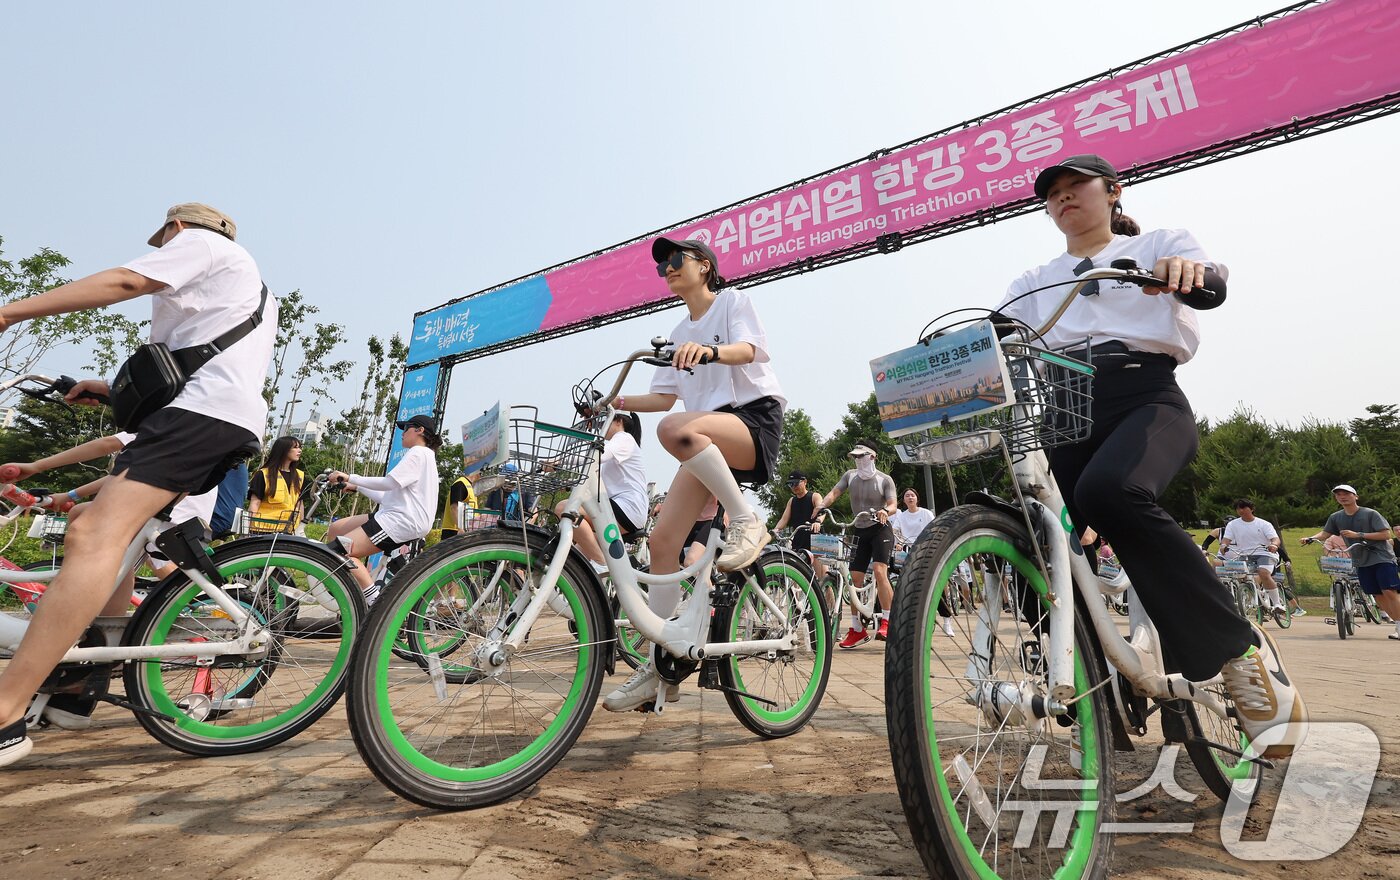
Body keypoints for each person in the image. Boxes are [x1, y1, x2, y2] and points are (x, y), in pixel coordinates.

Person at [994, 155, 1304, 756]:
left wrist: (1185, 274)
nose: (1063, 198)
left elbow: (1210, 287)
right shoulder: (1035, 280)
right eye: (1052, 193)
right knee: (1034, 537)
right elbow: (996, 334)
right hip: (1064, 412)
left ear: (1113, 191)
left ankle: (1237, 651)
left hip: (1145, 398)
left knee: (1110, 491)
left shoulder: (1157, 245)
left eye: (1076, 186)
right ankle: (1096, 681)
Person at [0, 202, 276, 767]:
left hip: (202, 416)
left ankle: (5, 712)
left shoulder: (206, 245)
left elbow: (124, 282)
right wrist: (106, 388)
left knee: (92, 536)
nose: (161, 251)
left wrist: (10, 312)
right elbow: (196, 362)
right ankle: (81, 682)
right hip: (208, 414)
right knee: (94, 527)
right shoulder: (238, 286)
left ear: (178, 228)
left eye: (163, 240)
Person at [598, 236, 785, 712]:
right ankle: (662, 662)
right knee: (662, 544)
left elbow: (751, 350)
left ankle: (747, 520)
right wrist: (613, 401)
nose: (668, 268)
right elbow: (663, 398)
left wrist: (709, 351)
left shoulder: (731, 302)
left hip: (751, 421)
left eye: (676, 259)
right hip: (704, 441)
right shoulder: (678, 331)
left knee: (675, 429)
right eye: (661, 265)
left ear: (704, 265)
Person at [327, 414, 442, 601]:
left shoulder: (418, 453)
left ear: (420, 430)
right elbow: (386, 497)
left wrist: (351, 477)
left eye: (406, 428)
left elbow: (389, 483)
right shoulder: (425, 455)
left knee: (338, 551)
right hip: (394, 514)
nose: (402, 433)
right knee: (336, 528)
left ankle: (372, 602)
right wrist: (357, 487)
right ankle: (346, 582)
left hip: (400, 520)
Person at [819, 442, 898, 648]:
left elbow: (893, 504)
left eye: (861, 456)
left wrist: (885, 511)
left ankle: (888, 621)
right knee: (854, 580)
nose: (858, 460)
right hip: (859, 530)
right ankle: (856, 628)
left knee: (880, 571)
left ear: (872, 457)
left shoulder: (884, 479)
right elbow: (834, 493)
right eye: (855, 456)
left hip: (880, 529)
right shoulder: (850, 476)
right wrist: (821, 506)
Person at [1302, 484, 1400, 640]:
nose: (1342, 497)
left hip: (1382, 557)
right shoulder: (1336, 517)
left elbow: (1385, 534)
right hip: (1361, 561)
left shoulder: (1370, 513)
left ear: (1356, 496)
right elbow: (1326, 533)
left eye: (1346, 493)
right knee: (1377, 595)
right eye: (1338, 494)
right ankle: (1397, 623)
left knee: (1388, 591)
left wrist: (1358, 535)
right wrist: (1311, 538)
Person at [554, 411, 648, 567]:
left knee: (564, 508)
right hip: (622, 508)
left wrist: (558, 461)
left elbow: (592, 457)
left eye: (604, 423)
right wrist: (569, 483)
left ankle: (602, 564)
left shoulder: (623, 439)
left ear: (618, 421)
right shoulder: (616, 448)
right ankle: (603, 572)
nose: (600, 428)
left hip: (628, 507)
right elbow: (594, 480)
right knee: (577, 560)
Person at [1220, 499, 1285, 616]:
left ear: (1252, 509)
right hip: (1244, 554)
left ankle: (1277, 604)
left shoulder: (1264, 524)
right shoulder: (1233, 524)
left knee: (1263, 573)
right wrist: (1223, 545)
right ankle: (1248, 597)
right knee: (1240, 575)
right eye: (1238, 508)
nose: (1241, 510)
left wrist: (1274, 545)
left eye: (1244, 507)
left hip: (1265, 553)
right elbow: (1226, 539)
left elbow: (1275, 539)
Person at [771, 471, 825, 579]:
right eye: (790, 484)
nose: (793, 487)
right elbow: (784, 519)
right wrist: (775, 530)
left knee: (823, 578)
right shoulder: (792, 501)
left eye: (796, 483)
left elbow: (822, 511)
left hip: (816, 539)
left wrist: (818, 521)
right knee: (797, 578)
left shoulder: (815, 496)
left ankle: (829, 588)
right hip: (799, 540)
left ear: (804, 482)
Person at [247, 435, 305, 533]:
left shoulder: (300, 476)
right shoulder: (263, 474)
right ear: (283, 450)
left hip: (288, 530)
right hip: (262, 529)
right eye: (295, 447)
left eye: (300, 447)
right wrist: (246, 531)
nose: (299, 451)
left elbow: (300, 504)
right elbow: (255, 503)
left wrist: (300, 529)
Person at [439, 470, 478, 539]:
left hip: (465, 531)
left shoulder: (470, 487)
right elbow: (454, 507)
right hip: (454, 532)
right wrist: (460, 528)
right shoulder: (460, 484)